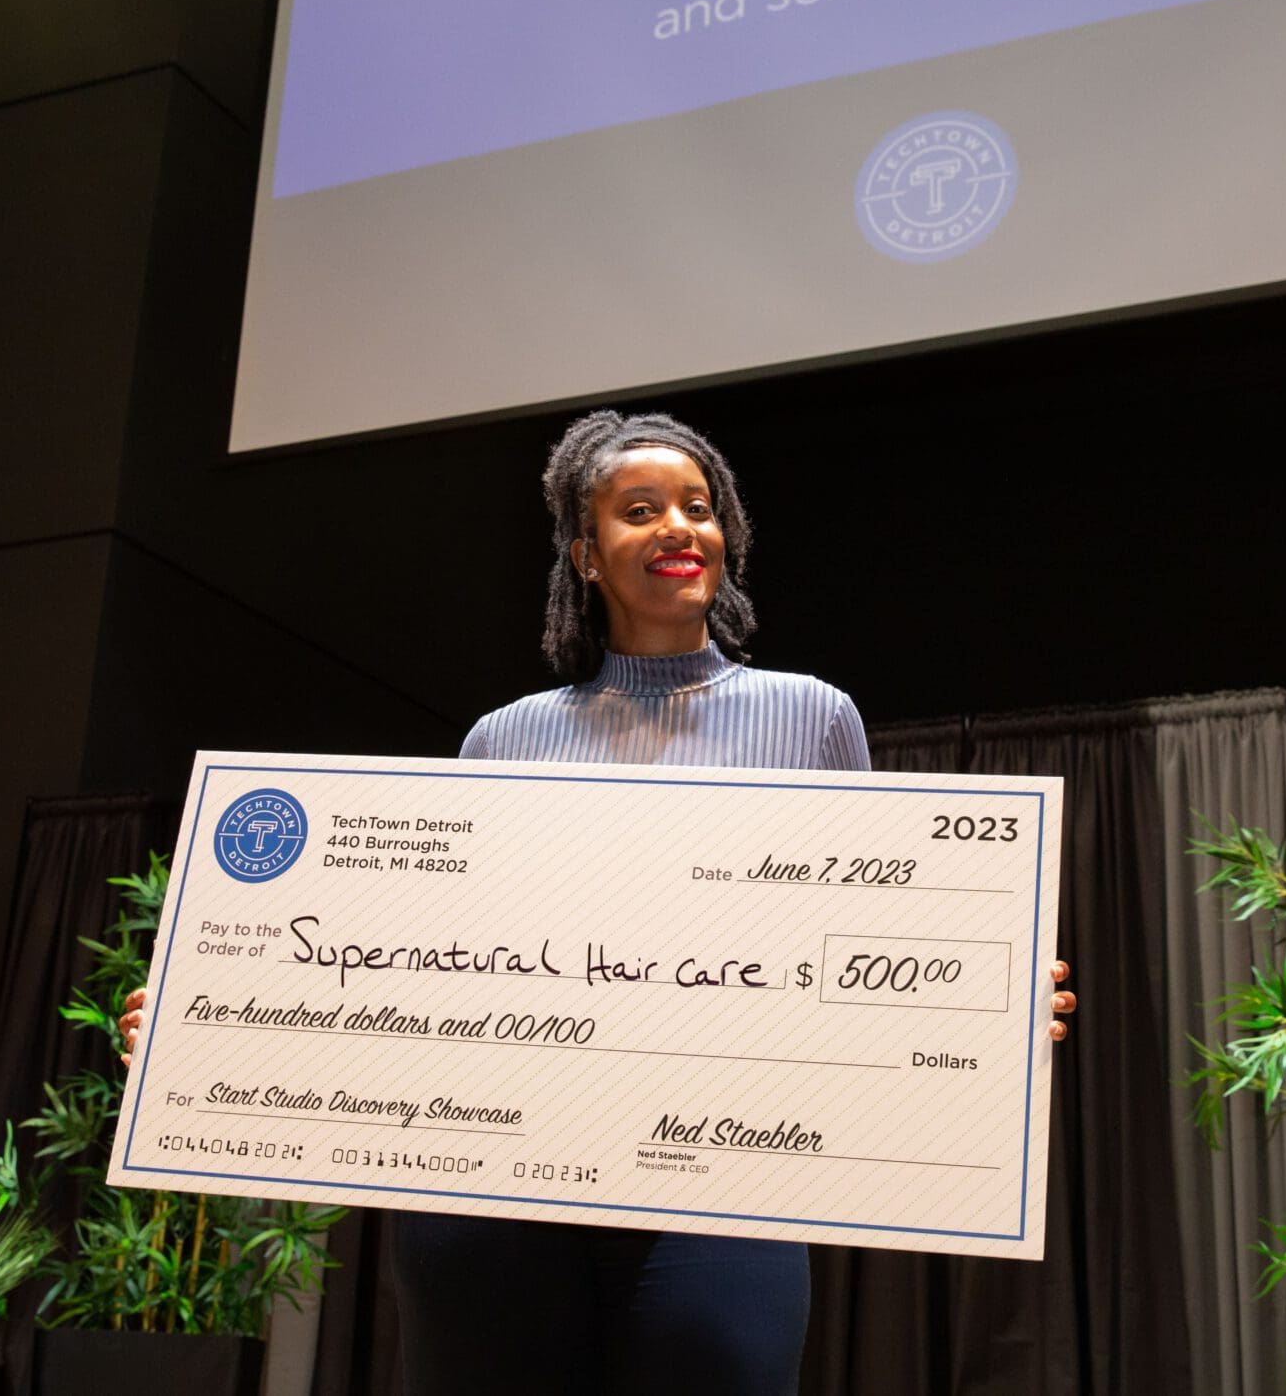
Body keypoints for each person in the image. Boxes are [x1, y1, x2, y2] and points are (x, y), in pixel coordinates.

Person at [121, 409, 1074, 1394]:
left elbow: (870, 942)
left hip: (720, 1187)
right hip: (491, 1194)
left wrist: (981, 1002)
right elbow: (420, 973)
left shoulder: (811, 717)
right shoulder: (504, 738)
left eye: (698, 509)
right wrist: (210, 1029)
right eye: (639, 510)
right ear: (584, 553)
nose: (678, 527)